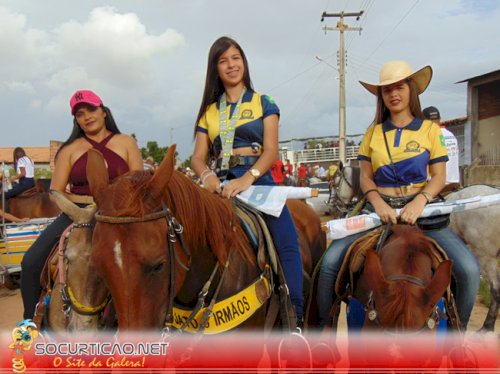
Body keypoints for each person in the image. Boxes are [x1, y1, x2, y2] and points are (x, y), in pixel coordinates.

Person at [317, 60, 480, 329]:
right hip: (379, 211)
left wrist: (420, 200)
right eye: (387, 90)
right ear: (381, 96)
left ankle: (455, 341)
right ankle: (323, 334)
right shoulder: (373, 133)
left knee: (469, 270)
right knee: (330, 262)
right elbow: (366, 177)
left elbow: (439, 176)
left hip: (423, 213)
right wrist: (378, 203)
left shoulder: (430, 130)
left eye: (399, 87)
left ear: (411, 90)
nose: (393, 94)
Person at [191, 36, 304, 328]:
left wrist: (247, 179)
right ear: (215, 69)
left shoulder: (264, 103)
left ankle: (295, 319)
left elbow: (270, 151)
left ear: (244, 62)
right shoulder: (209, 112)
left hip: (259, 180)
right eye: (223, 60)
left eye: (236, 58)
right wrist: (208, 178)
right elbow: (198, 159)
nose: (231, 65)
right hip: (221, 184)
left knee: (288, 244)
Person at [20, 89, 143, 320]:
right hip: (76, 215)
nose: (87, 117)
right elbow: (55, 191)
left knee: (155, 256)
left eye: (92, 110)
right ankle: (29, 323)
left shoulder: (126, 142)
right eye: (80, 114)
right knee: (30, 262)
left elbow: (139, 184)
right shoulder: (70, 149)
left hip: (121, 215)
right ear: (76, 120)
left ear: (103, 111)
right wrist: (83, 206)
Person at [423, 106, 460, 189]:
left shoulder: (429, 136)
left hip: (437, 186)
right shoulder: (451, 135)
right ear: (440, 119)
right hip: (454, 183)